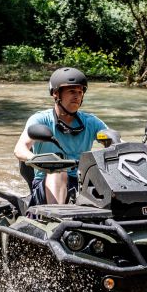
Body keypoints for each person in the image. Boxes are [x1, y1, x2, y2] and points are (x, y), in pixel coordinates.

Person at [14, 67, 108, 205]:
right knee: (58, 172)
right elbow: (19, 149)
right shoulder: (40, 120)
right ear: (56, 94)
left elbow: (116, 143)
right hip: (46, 183)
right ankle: (57, 218)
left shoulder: (91, 122)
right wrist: (38, 160)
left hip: (82, 184)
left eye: (80, 92)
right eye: (71, 91)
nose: (77, 96)